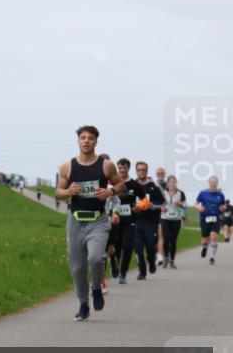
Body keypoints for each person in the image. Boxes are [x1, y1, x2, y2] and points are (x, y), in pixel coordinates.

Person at [55, 126, 125, 321]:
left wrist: (110, 192)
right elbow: (58, 192)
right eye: (83, 138)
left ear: (96, 142)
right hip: (75, 220)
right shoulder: (67, 166)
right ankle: (83, 303)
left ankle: (96, 288)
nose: (86, 141)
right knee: (77, 267)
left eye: (90, 138)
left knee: (95, 258)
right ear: (78, 141)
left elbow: (121, 185)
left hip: (98, 220)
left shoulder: (106, 165)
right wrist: (68, 192)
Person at [132, 162, 165, 281]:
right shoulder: (132, 185)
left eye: (144, 170)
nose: (141, 172)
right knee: (138, 249)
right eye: (139, 170)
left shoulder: (154, 186)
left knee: (151, 248)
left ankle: (151, 261)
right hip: (136, 222)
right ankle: (142, 272)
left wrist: (151, 206)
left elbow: (162, 202)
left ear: (147, 171)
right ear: (136, 171)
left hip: (151, 222)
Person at [195, 176, 227, 266]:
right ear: (209, 183)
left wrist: (223, 208)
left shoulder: (220, 195)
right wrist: (199, 207)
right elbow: (196, 203)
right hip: (204, 218)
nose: (213, 184)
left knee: (214, 236)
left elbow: (223, 206)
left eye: (215, 182)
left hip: (216, 218)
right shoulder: (203, 193)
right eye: (212, 182)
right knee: (205, 240)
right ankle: (205, 247)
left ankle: (212, 257)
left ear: (217, 183)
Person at [160, 175, 186, 269]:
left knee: (173, 240)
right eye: (170, 182)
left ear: (176, 183)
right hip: (165, 219)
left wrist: (180, 204)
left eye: (173, 182)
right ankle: (166, 258)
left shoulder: (181, 193)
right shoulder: (163, 193)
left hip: (176, 219)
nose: (172, 183)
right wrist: (161, 207)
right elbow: (159, 204)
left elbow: (185, 206)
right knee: (166, 238)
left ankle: (172, 260)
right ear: (167, 183)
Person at [155, 167, 168, 267]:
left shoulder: (169, 185)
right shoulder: (153, 185)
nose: (160, 174)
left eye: (162, 172)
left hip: (165, 214)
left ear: (164, 174)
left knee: (161, 234)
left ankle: (160, 256)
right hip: (154, 211)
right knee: (154, 236)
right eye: (158, 173)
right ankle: (157, 253)